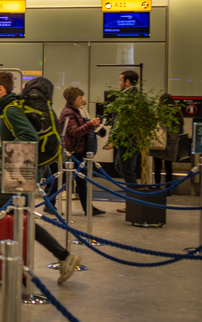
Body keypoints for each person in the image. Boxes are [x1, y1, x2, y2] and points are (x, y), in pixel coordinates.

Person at [0, 71, 81, 284]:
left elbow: (29, 138)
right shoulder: (7, 109)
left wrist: (1, 149)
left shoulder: (10, 110)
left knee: (20, 220)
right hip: (19, 168)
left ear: (1, 89)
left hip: (21, 170)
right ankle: (15, 267)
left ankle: (60, 258)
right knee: (18, 219)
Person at [57, 86, 104, 216]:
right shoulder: (69, 113)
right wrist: (89, 124)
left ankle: (88, 208)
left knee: (78, 179)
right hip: (73, 151)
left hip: (76, 151)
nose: (83, 99)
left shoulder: (75, 111)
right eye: (80, 97)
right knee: (66, 178)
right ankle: (88, 209)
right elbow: (74, 132)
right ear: (73, 99)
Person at [104, 70, 141, 205]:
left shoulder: (128, 98)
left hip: (127, 139)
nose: (119, 83)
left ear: (128, 82)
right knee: (120, 166)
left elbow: (119, 120)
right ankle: (134, 201)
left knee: (127, 170)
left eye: (121, 80)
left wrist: (112, 139)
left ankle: (135, 203)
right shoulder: (132, 96)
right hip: (126, 138)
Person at [149, 93, 183, 190]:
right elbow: (181, 130)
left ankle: (158, 187)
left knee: (157, 166)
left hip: (159, 141)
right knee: (169, 167)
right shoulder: (177, 113)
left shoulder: (159, 113)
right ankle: (168, 189)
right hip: (172, 143)